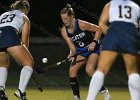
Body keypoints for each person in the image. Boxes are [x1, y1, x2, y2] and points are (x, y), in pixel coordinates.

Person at [86, 0, 140, 100]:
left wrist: (111, 37)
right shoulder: (136, 7)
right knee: (133, 72)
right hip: (130, 33)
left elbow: (101, 23)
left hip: (114, 32)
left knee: (101, 70)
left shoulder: (111, 4)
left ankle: (90, 98)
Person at [60, 4, 111, 100]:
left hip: (93, 49)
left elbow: (99, 29)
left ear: (72, 17)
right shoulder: (64, 31)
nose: (65, 21)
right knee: (72, 71)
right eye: (63, 19)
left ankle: (105, 92)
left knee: (89, 70)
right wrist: (71, 54)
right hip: (81, 52)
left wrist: (94, 42)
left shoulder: (81, 24)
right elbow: (72, 48)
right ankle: (76, 97)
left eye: (66, 18)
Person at [0, 0, 34, 100]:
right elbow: (24, 43)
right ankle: (21, 92)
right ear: (25, 9)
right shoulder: (24, 17)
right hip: (8, 34)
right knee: (29, 63)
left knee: (3, 64)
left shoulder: (3, 14)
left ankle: (1, 90)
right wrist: (21, 59)